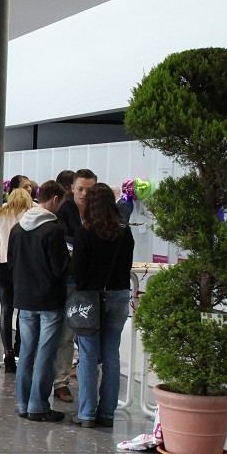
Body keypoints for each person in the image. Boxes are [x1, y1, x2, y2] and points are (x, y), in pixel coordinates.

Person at [70, 183, 134, 428]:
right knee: (111, 354)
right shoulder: (123, 231)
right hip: (118, 295)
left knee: (87, 355)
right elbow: (126, 265)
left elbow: (77, 271)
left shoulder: (84, 232)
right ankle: (107, 413)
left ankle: (86, 413)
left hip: (90, 298)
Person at [8, 180, 70, 422]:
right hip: (48, 300)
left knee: (26, 353)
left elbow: (10, 262)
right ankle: (39, 406)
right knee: (45, 354)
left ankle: (23, 404)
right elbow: (60, 268)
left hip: (23, 299)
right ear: (54, 199)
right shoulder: (53, 231)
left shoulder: (17, 229)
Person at [51, 167, 97, 403]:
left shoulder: (97, 212)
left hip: (88, 281)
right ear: (72, 188)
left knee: (79, 335)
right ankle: (58, 381)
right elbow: (63, 240)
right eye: (80, 189)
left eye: (89, 190)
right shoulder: (65, 211)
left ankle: (64, 379)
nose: (84, 194)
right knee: (62, 334)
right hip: (67, 280)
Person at [0, 188, 34, 373]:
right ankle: (20, 347)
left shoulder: (0, 212)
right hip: (24, 265)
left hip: (2, 263)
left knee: (6, 309)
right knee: (24, 308)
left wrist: (0, 246)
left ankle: (7, 353)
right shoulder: (31, 212)